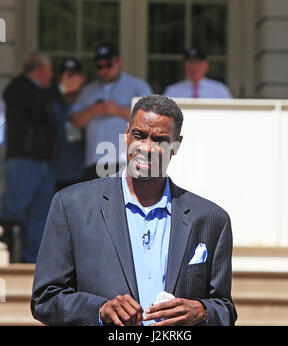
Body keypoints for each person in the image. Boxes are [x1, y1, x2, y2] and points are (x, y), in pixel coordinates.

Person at [31, 94, 237, 326]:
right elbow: (45, 299)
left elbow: (225, 309)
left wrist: (202, 311)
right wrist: (100, 311)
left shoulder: (211, 220)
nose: (146, 148)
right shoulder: (71, 205)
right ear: (127, 134)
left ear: (175, 146)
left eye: (159, 140)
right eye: (139, 135)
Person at [0, 52, 84, 263]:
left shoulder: (46, 94)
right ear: (40, 70)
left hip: (45, 164)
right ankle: (5, 255)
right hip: (24, 161)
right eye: (49, 70)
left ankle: (32, 262)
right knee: (13, 209)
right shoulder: (18, 87)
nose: (52, 75)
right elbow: (34, 104)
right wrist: (62, 89)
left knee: (39, 216)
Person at [70, 44, 152, 180]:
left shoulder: (137, 86)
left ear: (118, 62)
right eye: (99, 66)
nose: (104, 70)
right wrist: (91, 111)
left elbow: (151, 118)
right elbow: (74, 122)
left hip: (126, 160)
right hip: (95, 161)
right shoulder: (89, 90)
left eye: (108, 65)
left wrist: (118, 110)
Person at [50, 58, 86, 191]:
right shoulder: (52, 102)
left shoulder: (87, 102)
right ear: (60, 78)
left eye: (77, 75)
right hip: (55, 175)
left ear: (83, 78)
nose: (73, 80)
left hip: (84, 175)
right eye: (69, 76)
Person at [164, 48, 232, 99]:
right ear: (184, 66)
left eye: (198, 63)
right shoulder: (172, 91)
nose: (194, 67)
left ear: (206, 65)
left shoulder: (220, 90)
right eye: (190, 63)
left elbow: (230, 112)